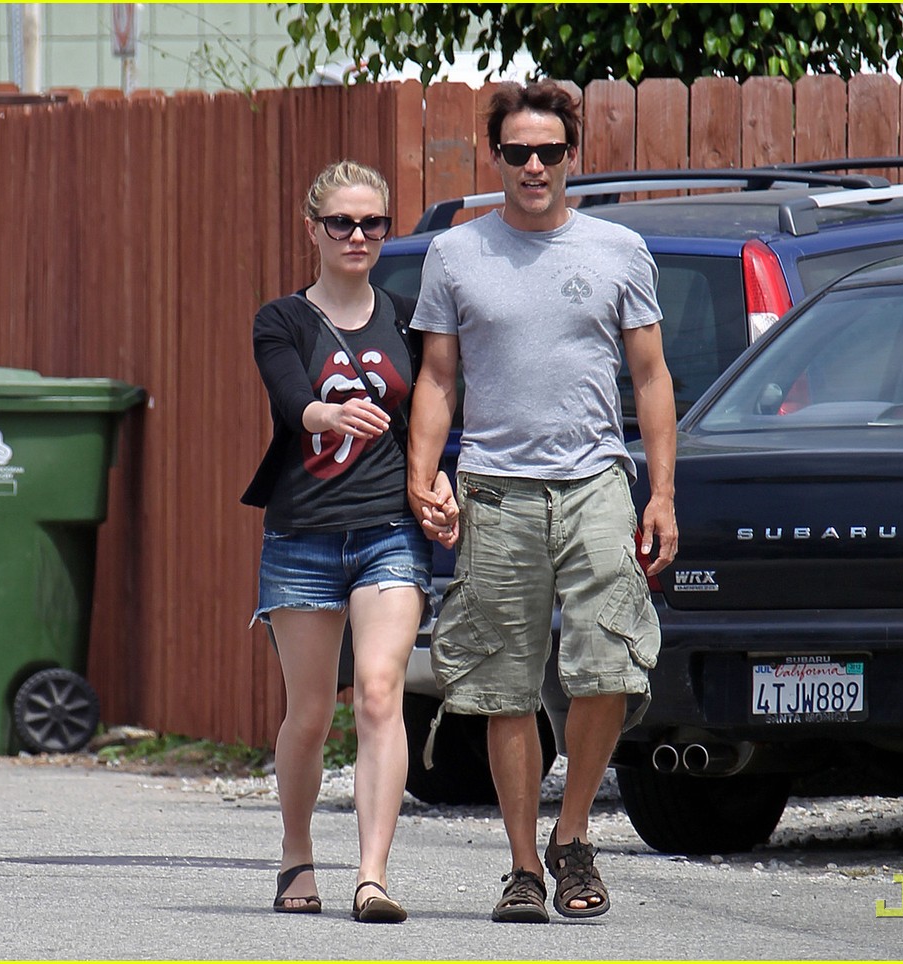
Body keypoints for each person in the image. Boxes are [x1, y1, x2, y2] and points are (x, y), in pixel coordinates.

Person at [406, 81, 679, 924]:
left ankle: (573, 836)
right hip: (494, 490)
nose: (534, 165)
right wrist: (423, 475)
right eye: (519, 151)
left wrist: (663, 493)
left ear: (571, 156)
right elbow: (438, 377)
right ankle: (524, 866)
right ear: (496, 156)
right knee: (502, 685)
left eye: (549, 151)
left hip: (597, 482)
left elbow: (651, 377)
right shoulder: (456, 253)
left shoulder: (618, 250)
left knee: (609, 664)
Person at [241, 160, 457, 923]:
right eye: (342, 222)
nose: (357, 235)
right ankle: (296, 855)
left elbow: (431, 415)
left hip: (387, 532)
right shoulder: (282, 320)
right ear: (314, 230)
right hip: (302, 535)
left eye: (372, 223)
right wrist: (325, 416)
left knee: (377, 692)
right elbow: (291, 398)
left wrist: (439, 481)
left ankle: (372, 876)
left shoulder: (406, 320)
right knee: (308, 713)